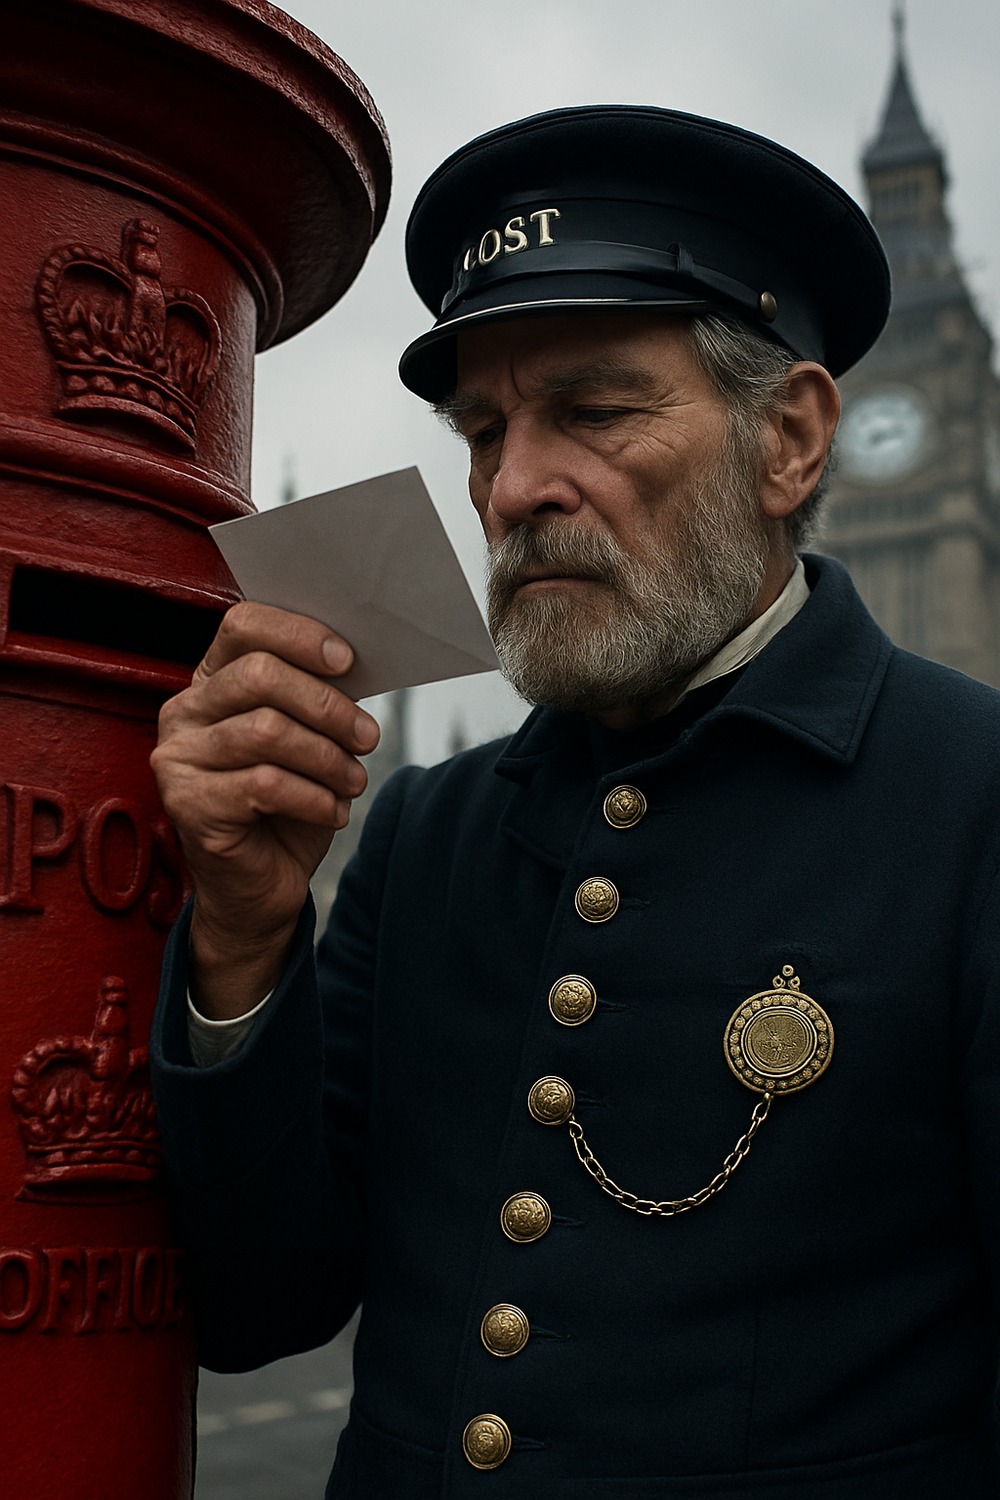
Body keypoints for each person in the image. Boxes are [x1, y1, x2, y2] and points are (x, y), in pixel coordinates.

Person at [150, 106, 1000, 1498]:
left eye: (595, 411)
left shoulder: (972, 807)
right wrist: (245, 933)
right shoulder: (423, 833)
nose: (513, 485)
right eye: (484, 429)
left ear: (789, 441)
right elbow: (258, 1309)